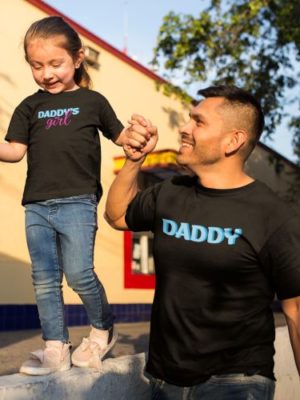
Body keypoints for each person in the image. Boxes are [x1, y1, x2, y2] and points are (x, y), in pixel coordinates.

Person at [105, 86, 300, 399]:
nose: (184, 128)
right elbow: (116, 216)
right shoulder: (171, 192)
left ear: (233, 141)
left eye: (198, 122)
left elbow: (296, 311)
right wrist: (134, 160)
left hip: (236, 383)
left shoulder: (272, 215)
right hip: (164, 381)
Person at [0, 16, 149, 376]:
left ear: (78, 58)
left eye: (55, 64)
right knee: (45, 279)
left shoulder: (92, 101)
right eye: (37, 66)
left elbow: (121, 138)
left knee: (81, 273)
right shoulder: (28, 107)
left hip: (78, 202)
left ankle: (103, 327)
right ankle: (56, 346)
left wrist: (137, 135)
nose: (46, 73)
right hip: (36, 206)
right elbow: (14, 151)